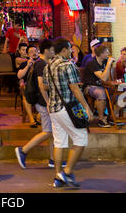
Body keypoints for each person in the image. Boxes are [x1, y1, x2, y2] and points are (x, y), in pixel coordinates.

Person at [43, 37, 93, 189]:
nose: (71, 51)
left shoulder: (48, 66)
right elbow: (75, 88)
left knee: (59, 142)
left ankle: (58, 177)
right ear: (64, 50)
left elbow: (45, 87)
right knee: (81, 137)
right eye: (70, 49)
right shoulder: (67, 65)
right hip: (66, 108)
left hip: (53, 108)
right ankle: (68, 171)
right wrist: (87, 108)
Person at [15, 39, 63, 169]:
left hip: (43, 102)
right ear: (47, 50)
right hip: (43, 102)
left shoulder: (42, 63)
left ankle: (54, 159)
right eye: (52, 50)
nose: (53, 53)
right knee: (47, 132)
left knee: (52, 132)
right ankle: (23, 150)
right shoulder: (41, 64)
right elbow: (42, 85)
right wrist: (48, 103)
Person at [82, 44, 116, 128]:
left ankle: (110, 117)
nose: (108, 53)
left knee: (115, 93)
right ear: (101, 54)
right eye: (106, 52)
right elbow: (103, 77)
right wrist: (108, 64)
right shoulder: (92, 63)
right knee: (101, 93)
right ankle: (101, 120)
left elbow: (106, 78)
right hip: (89, 87)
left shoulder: (105, 61)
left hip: (101, 85)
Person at [17, 44, 40, 127]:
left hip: (41, 88)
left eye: (35, 51)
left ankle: (38, 117)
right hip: (29, 89)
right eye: (31, 52)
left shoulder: (41, 62)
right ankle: (32, 119)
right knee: (26, 95)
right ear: (27, 55)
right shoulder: (24, 64)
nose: (34, 53)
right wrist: (28, 66)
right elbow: (19, 76)